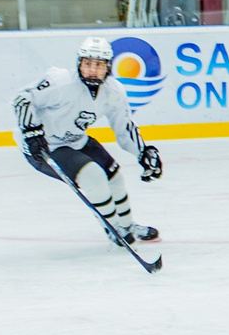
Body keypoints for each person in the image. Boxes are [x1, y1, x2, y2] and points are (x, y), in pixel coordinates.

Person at [13, 34, 163, 259]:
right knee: (93, 176)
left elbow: (124, 128)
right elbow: (22, 98)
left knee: (115, 177)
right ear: (79, 64)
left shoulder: (114, 91)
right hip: (45, 146)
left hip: (76, 140)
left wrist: (143, 151)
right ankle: (114, 230)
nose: (92, 70)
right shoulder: (60, 81)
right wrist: (31, 131)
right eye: (87, 63)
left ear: (108, 67)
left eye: (99, 65)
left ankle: (127, 225)